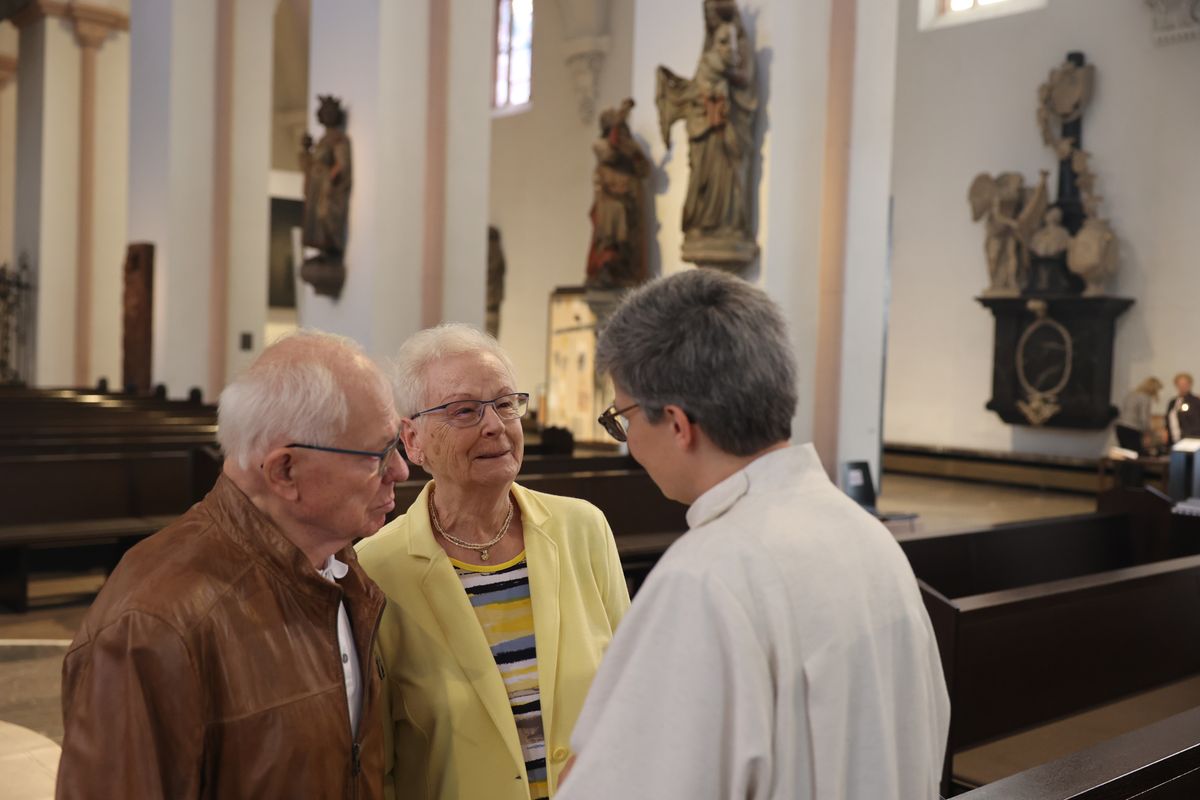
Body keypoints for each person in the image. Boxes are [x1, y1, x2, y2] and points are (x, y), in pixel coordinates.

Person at [557, 269, 949, 800]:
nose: (630, 443)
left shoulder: (705, 578)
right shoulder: (867, 536)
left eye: (622, 417)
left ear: (676, 423)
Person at [56, 331, 407, 799]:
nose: (401, 471)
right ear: (285, 472)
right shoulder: (154, 623)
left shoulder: (338, 568)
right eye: (379, 454)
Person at [356, 324, 630, 800]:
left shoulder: (583, 529)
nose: (495, 425)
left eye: (506, 404)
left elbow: (631, 692)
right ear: (413, 439)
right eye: (465, 410)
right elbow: (377, 764)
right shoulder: (377, 567)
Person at [1115, 377, 1162, 454]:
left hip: (1120, 427)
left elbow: (1122, 410)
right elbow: (1144, 418)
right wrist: (1148, 433)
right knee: (1136, 455)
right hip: (1132, 429)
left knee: (1125, 455)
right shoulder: (1145, 397)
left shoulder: (1131, 394)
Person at [1165, 372, 1200, 445]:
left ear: (1190, 385)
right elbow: (1168, 419)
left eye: (1185, 384)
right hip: (1174, 439)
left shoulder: (1195, 401)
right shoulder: (1173, 402)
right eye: (1180, 384)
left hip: (1191, 439)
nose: (1182, 386)